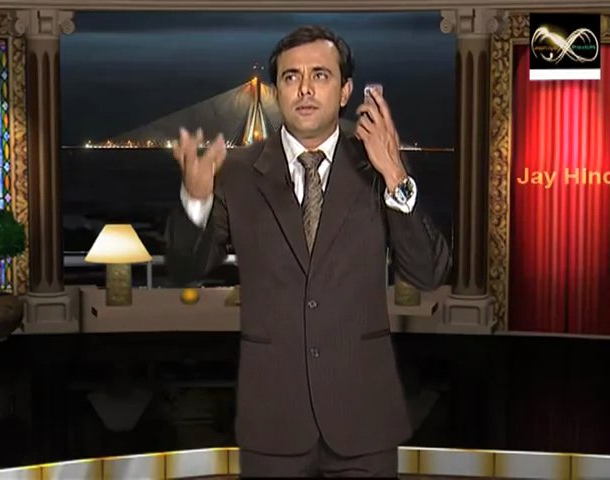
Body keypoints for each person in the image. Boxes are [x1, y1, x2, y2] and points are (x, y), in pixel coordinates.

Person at [166, 25, 451, 478]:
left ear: (345, 91)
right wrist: (196, 200)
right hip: (272, 420)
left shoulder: (378, 167)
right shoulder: (236, 172)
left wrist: (396, 175)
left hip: (364, 418)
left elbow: (428, 273)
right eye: (290, 77)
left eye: (320, 75)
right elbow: (186, 269)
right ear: (275, 92)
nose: (304, 89)